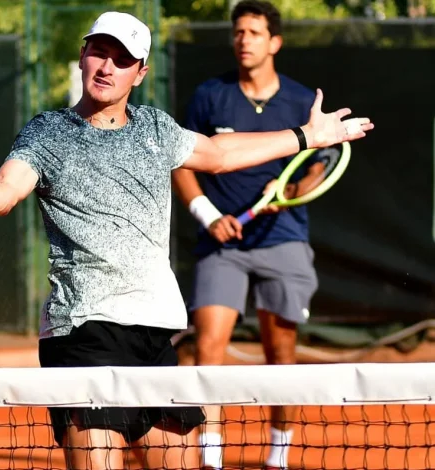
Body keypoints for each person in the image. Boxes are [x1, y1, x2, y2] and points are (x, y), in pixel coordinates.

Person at [0, 9, 372, 470]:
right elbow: (5, 191)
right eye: (99, 52)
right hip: (83, 334)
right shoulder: (46, 132)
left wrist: (307, 135)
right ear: (82, 56)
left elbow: (218, 154)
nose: (107, 67)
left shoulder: (155, 128)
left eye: (122, 59)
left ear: (140, 72)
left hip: (153, 336)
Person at [171, 1, 327, 469]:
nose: (244, 40)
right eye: (238, 32)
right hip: (223, 246)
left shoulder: (301, 101)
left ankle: (277, 460)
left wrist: (294, 190)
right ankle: (212, 460)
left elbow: (320, 163)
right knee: (208, 349)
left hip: (284, 239)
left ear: (274, 43)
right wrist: (207, 215)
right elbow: (181, 162)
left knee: (281, 353)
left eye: (254, 32)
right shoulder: (209, 96)